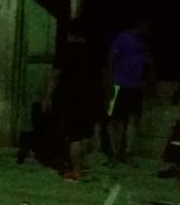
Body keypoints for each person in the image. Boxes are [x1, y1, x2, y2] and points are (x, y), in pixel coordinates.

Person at [43, 18, 104, 180]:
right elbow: (102, 77)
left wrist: (47, 98)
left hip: (73, 98)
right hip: (92, 97)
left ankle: (75, 171)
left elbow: (55, 76)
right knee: (85, 134)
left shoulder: (66, 51)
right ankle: (82, 166)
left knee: (75, 135)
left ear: (71, 34)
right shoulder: (95, 51)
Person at [107, 19, 153, 164]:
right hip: (119, 84)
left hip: (135, 85)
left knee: (132, 119)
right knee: (115, 120)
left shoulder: (142, 43)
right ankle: (116, 152)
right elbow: (112, 57)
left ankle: (125, 151)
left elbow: (148, 62)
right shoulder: (122, 38)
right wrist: (110, 78)